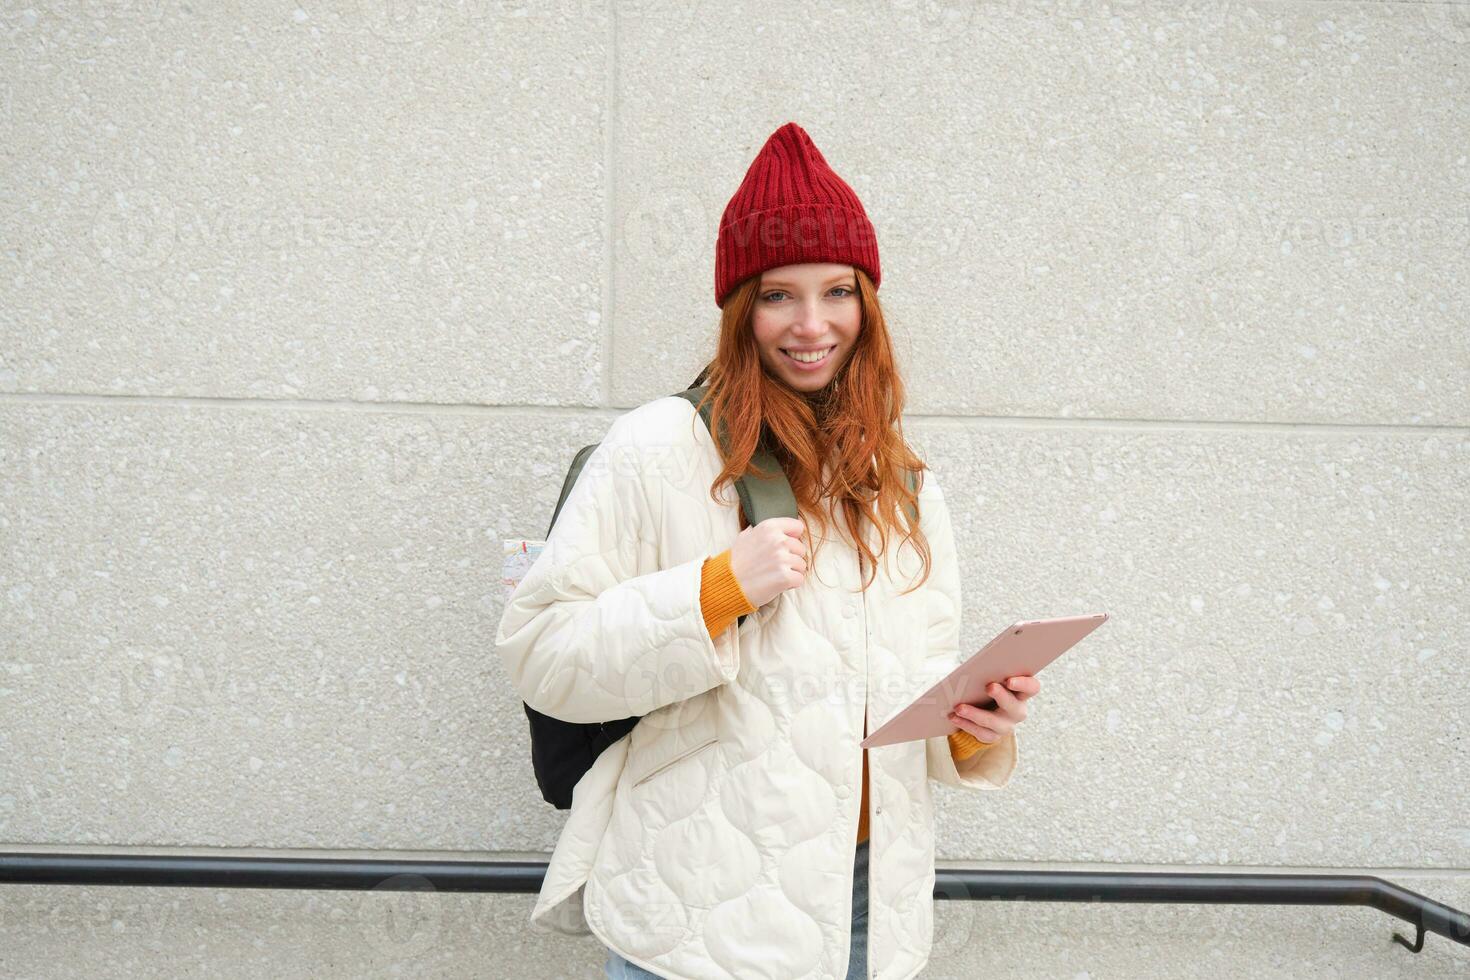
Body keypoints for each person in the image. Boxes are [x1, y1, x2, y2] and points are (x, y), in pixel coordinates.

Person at [496, 121, 1038, 980]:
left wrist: (972, 731)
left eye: (838, 291)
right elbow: (545, 655)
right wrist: (714, 591)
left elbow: (892, 702)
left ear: (870, 304)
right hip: (699, 915)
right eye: (778, 294)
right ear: (739, 309)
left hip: (868, 908)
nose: (812, 324)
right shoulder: (659, 446)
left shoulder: (901, 483)